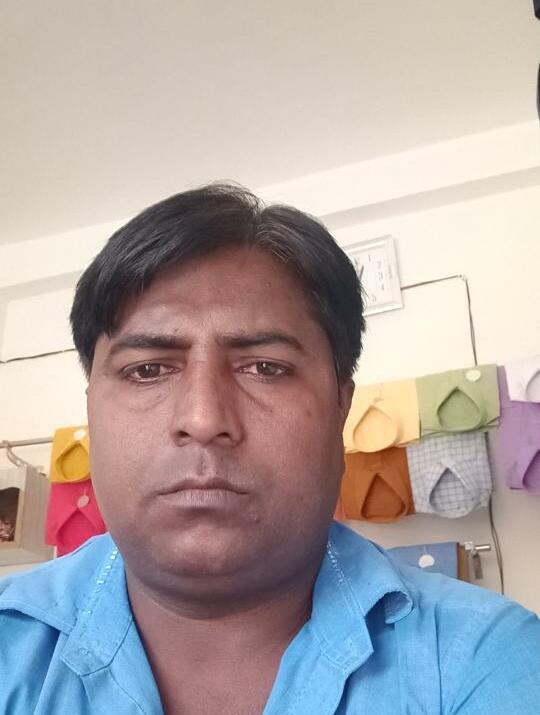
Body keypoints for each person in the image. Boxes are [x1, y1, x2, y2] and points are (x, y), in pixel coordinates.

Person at [0, 184, 539, 715]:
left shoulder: (487, 659)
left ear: (341, 405)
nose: (203, 420)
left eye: (265, 367)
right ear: (91, 407)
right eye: (147, 370)